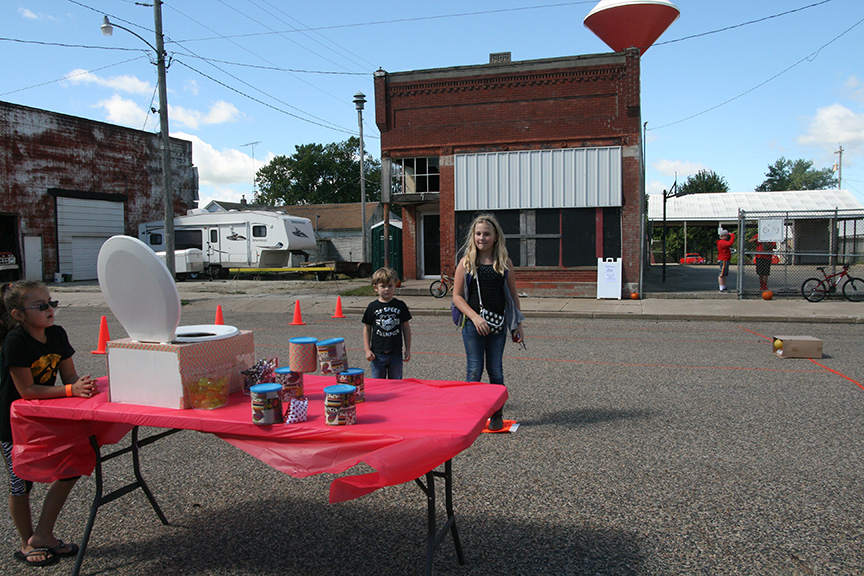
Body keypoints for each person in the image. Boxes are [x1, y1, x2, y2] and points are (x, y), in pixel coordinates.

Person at [0, 281, 97, 567]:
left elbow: (69, 377)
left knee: (70, 469)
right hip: (12, 423)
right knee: (21, 483)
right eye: (41, 306)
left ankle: (43, 534)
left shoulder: (57, 334)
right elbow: (27, 390)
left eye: (51, 303)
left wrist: (83, 386)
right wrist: (70, 390)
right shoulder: (15, 341)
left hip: (45, 417)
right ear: (18, 314)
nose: (50, 309)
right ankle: (25, 542)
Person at [452, 213, 525, 431]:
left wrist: (518, 324)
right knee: (474, 370)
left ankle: (496, 415)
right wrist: (475, 318)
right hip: (472, 325)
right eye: (478, 234)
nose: (481, 238)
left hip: (497, 324)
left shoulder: (504, 263)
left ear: (495, 237)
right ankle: (471, 416)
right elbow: (457, 297)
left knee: (496, 370)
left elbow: (513, 296)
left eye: (486, 234)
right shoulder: (466, 262)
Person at [362, 267, 412, 379]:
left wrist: (408, 349)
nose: (387, 289)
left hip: (396, 353)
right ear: (376, 288)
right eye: (383, 286)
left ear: (395, 286)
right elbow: (367, 329)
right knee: (378, 384)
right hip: (377, 354)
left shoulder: (400, 305)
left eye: (390, 286)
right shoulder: (372, 307)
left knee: (396, 383)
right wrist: (367, 350)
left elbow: (406, 328)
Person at [717, 228, 736, 293]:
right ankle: (721, 287)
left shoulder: (723, 242)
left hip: (726, 259)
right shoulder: (721, 242)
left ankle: (723, 286)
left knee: (725, 274)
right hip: (723, 259)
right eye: (726, 235)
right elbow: (730, 243)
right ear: (722, 236)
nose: (727, 237)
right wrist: (732, 236)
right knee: (722, 273)